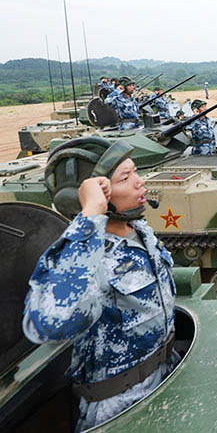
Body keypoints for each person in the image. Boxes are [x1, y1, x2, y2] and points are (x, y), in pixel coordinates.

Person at [24, 139, 178, 432]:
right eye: (125, 178)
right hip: (121, 405)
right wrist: (91, 214)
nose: (139, 182)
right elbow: (51, 323)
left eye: (135, 172)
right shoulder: (85, 257)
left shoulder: (138, 231)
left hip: (167, 376)